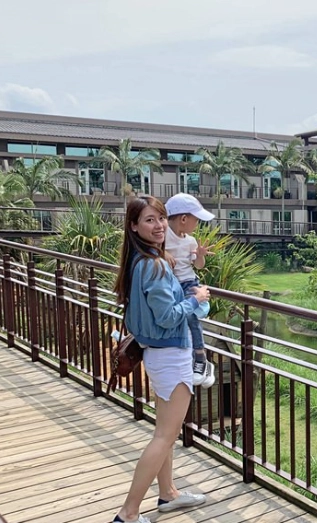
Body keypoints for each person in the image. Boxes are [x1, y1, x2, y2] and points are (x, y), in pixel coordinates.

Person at [112, 196, 210, 523]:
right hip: (170, 356)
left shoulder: (139, 260)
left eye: (161, 218)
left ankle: (168, 493)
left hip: (158, 354)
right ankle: (128, 513)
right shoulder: (154, 265)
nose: (158, 226)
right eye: (149, 220)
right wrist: (196, 299)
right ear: (134, 226)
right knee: (165, 436)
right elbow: (168, 317)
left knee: (164, 431)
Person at [164, 193, 216, 388]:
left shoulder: (191, 241)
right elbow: (149, 248)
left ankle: (200, 357)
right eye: (196, 219)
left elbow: (198, 266)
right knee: (177, 317)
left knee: (189, 314)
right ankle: (193, 360)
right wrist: (162, 252)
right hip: (170, 285)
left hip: (188, 283)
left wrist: (200, 255)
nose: (197, 224)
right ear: (184, 219)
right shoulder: (163, 235)